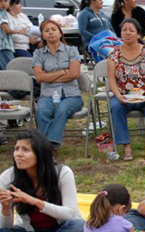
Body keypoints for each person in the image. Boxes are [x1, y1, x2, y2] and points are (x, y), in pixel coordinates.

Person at [0, 131, 84, 232]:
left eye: (25, 150)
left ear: (40, 154)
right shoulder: (9, 176)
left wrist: (35, 201)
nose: (18, 154)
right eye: (16, 149)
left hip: (61, 230)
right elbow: (6, 228)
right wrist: (5, 208)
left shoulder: (62, 173)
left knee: (80, 228)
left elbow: (71, 214)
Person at [108, 18, 145, 161]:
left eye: (131, 30)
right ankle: (126, 146)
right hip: (124, 95)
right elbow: (112, 80)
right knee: (115, 106)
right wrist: (118, 95)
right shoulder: (114, 54)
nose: (127, 33)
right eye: (124, 30)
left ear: (138, 34)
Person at [32, 20, 84, 150]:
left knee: (62, 109)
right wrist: (62, 72)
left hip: (71, 95)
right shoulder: (38, 54)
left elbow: (74, 74)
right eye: (46, 30)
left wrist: (48, 76)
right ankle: (45, 147)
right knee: (42, 110)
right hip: (48, 95)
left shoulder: (72, 50)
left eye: (53, 29)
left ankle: (49, 145)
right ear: (42, 35)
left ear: (60, 33)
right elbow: (39, 77)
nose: (50, 33)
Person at [0, 0, 16, 69]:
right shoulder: (2, 14)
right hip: (3, 46)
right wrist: (20, 31)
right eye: (0, 1)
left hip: (5, 46)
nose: (3, 3)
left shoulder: (5, 13)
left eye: (6, 1)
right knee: (10, 70)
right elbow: (6, 29)